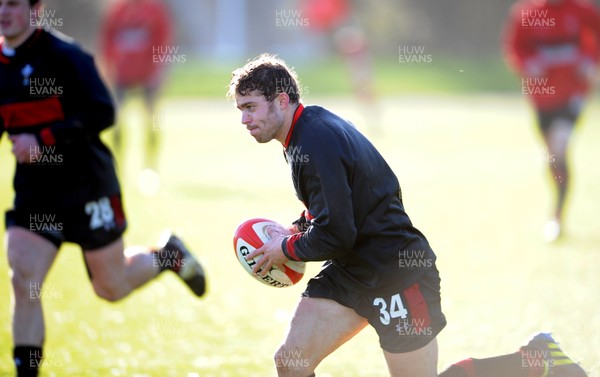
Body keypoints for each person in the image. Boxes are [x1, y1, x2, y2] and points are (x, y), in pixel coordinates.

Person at [228, 53, 588, 377]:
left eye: (251, 107)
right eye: (240, 109)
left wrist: (285, 249)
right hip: (352, 271)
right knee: (291, 362)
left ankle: (537, 358)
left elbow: (338, 233)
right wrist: (298, 226)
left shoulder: (314, 141)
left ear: (281, 100)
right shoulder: (305, 132)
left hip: (397, 274)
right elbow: (338, 203)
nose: (244, 119)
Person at [0, 1, 205, 376]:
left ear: (35, 9)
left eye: (12, 3)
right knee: (23, 276)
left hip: (87, 186)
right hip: (36, 192)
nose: (3, 12)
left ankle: (168, 256)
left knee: (111, 287)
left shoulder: (66, 57)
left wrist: (43, 139)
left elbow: (103, 112)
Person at [503, 0, 600, 242]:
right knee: (553, 158)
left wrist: (592, 61)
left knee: (558, 148)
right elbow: (514, 48)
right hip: (542, 98)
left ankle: (556, 217)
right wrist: (527, 64)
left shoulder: (581, 10)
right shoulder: (527, 13)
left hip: (573, 94)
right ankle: (557, 214)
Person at [99, 0, 173, 173]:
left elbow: (163, 40)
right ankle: (118, 165)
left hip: (148, 75)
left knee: (152, 121)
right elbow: (107, 41)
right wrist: (108, 69)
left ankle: (150, 166)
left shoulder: (154, 10)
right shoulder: (117, 11)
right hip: (122, 75)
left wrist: (159, 70)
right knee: (117, 121)